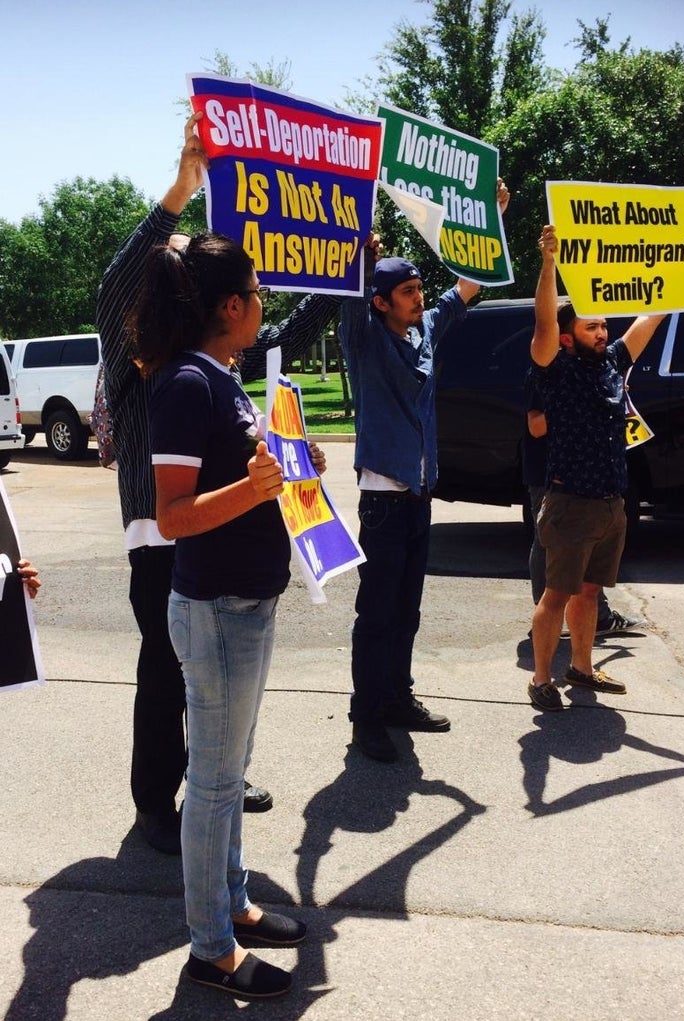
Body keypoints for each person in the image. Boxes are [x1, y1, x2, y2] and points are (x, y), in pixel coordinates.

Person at [97, 112, 342, 853]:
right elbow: (116, 285)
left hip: (219, 536)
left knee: (215, 678)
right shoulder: (143, 357)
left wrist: (340, 280)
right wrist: (178, 190)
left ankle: (217, 778)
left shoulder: (216, 359)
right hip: (162, 534)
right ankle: (157, 805)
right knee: (170, 677)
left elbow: (278, 336)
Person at [131, 229, 307, 1000]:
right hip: (216, 609)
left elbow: (244, 474)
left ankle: (232, 903)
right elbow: (171, 515)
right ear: (231, 305)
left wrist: (290, 469)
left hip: (246, 603)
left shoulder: (222, 376)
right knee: (211, 783)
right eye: (258, 293)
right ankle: (210, 948)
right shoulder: (186, 385)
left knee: (226, 777)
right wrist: (256, 487)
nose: (263, 305)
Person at [340, 180, 511, 762]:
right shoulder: (363, 338)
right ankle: (366, 717)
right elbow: (348, 297)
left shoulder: (423, 332)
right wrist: (361, 253)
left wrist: (490, 220)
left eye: (418, 289)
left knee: (407, 610)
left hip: (417, 499)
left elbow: (466, 287)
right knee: (377, 611)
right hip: (382, 500)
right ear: (381, 299)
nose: (418, 298)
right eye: (407, 292)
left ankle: (396, 698)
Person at [528, 223, 684, 711]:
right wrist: (548, 264)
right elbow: (544, 323)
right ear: (568, 338)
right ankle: (541, 679)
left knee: (589, 592)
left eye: (604, 325)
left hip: (611, 502)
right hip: (570, 502)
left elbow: (650, 318)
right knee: (556, 595)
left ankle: (582, 669)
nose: (603, 332)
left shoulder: (611, 362)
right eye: (591, 326)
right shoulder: (554, 367)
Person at [523, 377, 645, 633]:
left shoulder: (590, 370)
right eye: (590, 332)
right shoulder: (548, 369)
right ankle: (546, 618)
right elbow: (535, 426)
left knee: (589, 543)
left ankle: (599, 618)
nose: (600, 335)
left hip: (585, 473)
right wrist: (584, 398)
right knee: (546, 542)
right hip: (549, 472)